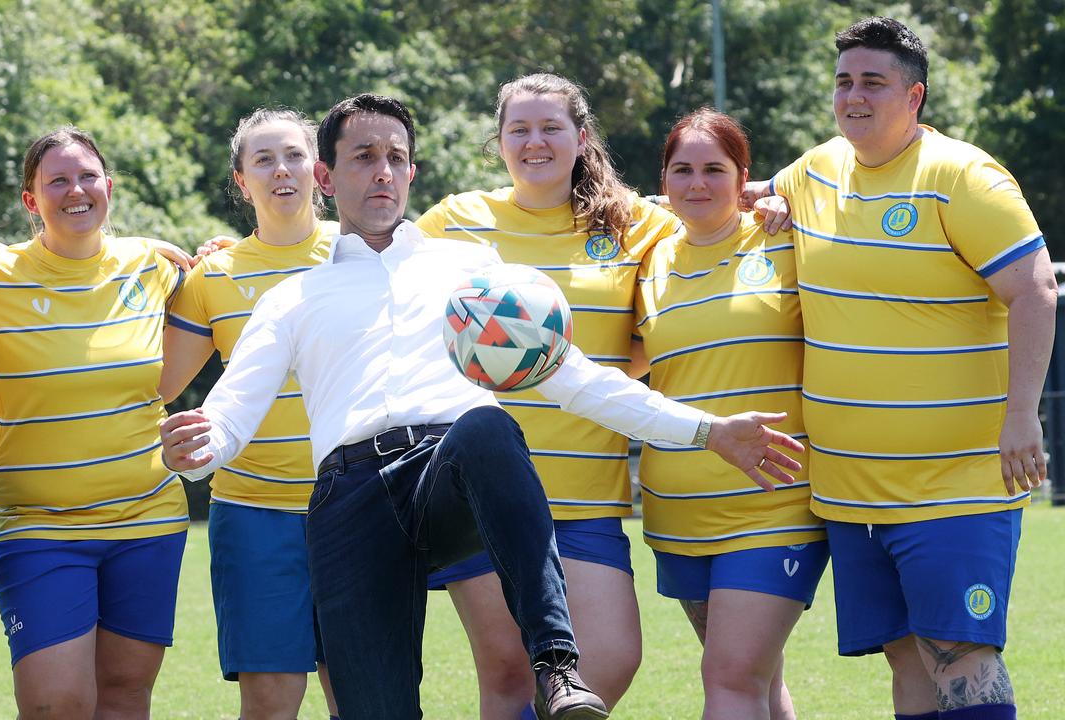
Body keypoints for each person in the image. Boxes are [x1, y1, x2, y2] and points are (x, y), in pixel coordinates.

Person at [159, 92, 805, 720]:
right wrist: (198, 450)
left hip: (450, 475)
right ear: (326, 175)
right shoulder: (294, 297)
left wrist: (706, 431)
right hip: (350, 497)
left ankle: (555, 664)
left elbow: (575, 377)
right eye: (361, 157)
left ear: (412, 171)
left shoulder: (470, 270)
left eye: (394, 157)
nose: (381, 172)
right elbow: (234, 407)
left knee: (488, 426)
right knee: (373, 706)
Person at [413, 73, 792, 718]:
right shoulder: (454, 222)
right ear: (498, 143)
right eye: (519, 129)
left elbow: (707, 216)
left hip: (588, 496)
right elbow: (374, 275)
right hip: (484, 492)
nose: (536, 142)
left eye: (551, 127)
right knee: (509, 675)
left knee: (610, 659)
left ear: (581, 137)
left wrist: (769, 198)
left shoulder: (633, 225)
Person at [750, 17, 1055, 720]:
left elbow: (1035, 289)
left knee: (960, 651)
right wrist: (766, 207)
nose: (853, 96)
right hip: (850, 493)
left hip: (954, 485)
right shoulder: (814, 170)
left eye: (873, 82)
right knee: (908, 655)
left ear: (913, 96)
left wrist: (1020, 415)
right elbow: (760, 200)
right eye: (843, 81)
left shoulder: (961, 176)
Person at [0, 126, 191, 719]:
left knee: (124, 698)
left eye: (88, 176)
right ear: (30, 200)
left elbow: (222, 291)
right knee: (56, 703)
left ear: (109, 187)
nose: (76, 190)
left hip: (147, 519)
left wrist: (223, 250)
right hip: (36, 525)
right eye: (57, 180)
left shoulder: (152, 266)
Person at [632, 108, 827, 720]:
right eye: (681, 170)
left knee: (729, 676)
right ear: (663, 180)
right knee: (757, 683)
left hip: (776, 503)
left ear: (745, 176)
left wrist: (776, 204)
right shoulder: (647, 261)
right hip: (678, 515)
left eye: (714, 169)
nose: (696, 184)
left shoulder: (786, 239)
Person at [159, 108, 341, 720]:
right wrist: (144, 268)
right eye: (262, 160)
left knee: (367, 696)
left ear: (318, 170)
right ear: (242, 181)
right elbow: (154, 382)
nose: (280, 170)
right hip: (253, 513)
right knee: (269, 703)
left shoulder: (366, 251)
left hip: (359, 506)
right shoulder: (214, 274)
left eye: (292, 155)